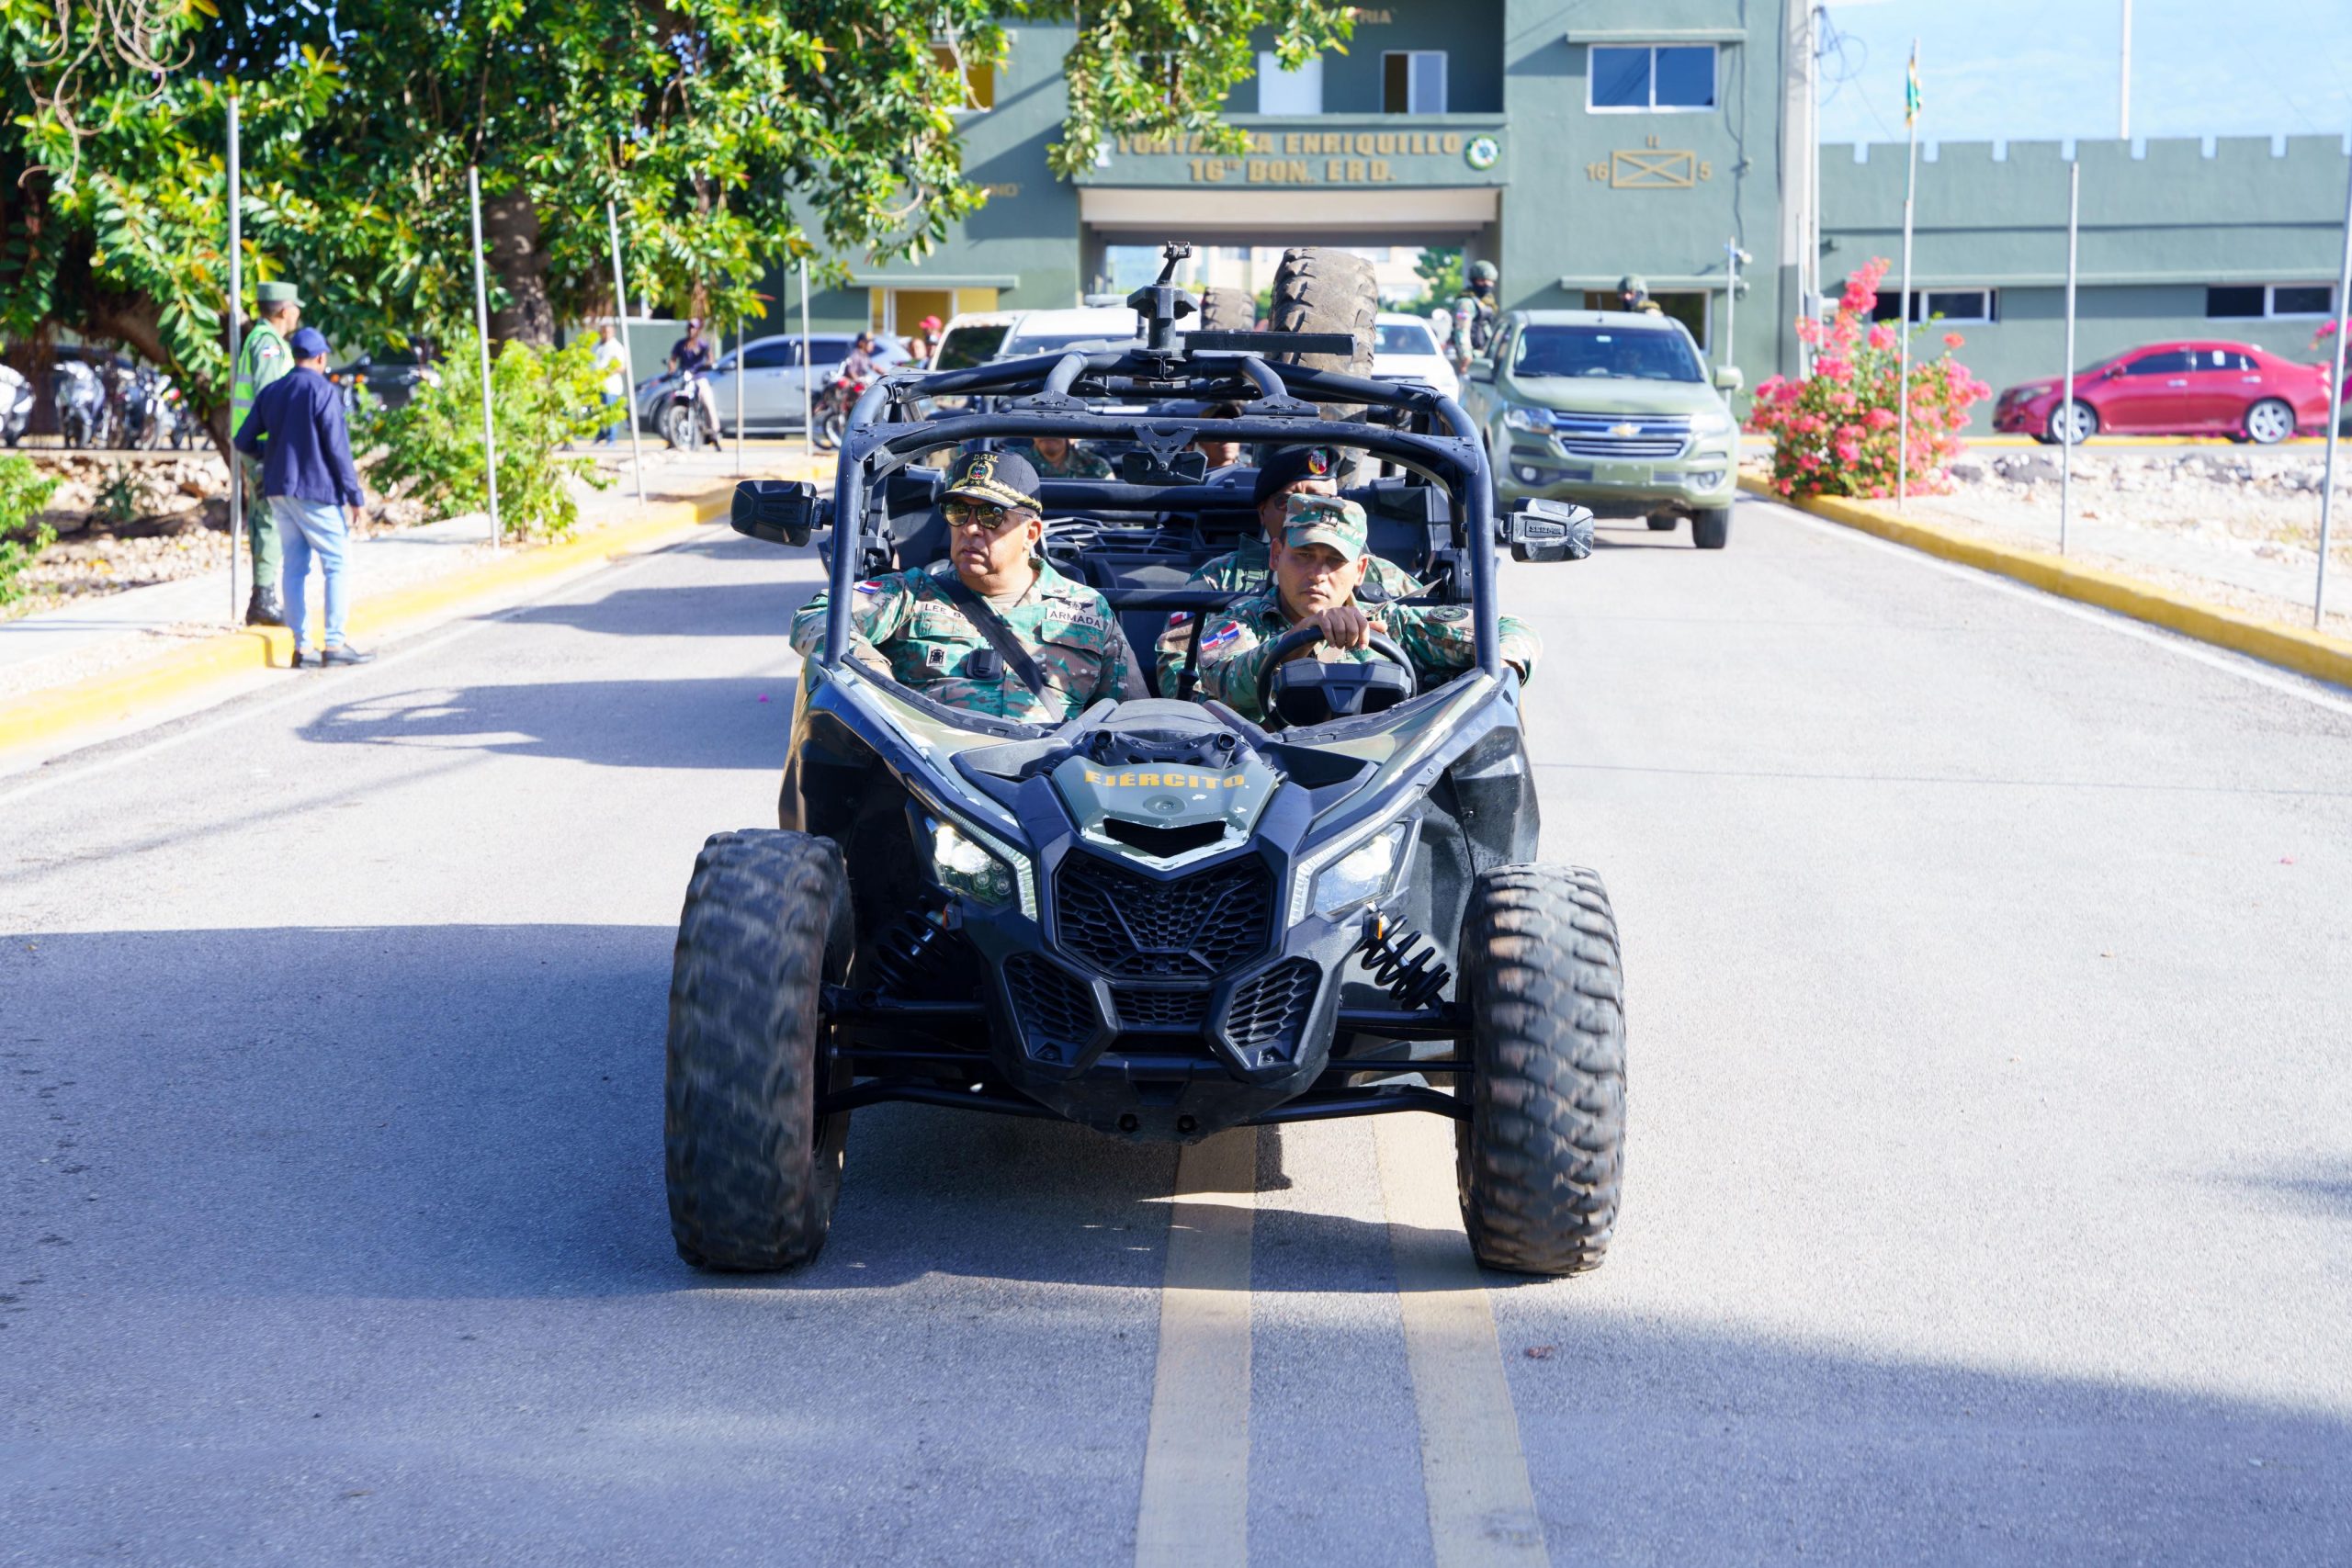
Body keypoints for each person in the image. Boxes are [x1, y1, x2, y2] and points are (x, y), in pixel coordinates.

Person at [788, 450, 1144, 721]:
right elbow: (816, 617)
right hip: (936, 784)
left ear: (1030, 534)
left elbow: (1129, 718)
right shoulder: (909, 595)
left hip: (1052, 783)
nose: (972, 528)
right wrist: (873, 677)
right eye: (960, 512)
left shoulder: (1086, 610)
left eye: (991, 515)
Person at [1193, 493, 1539, 725]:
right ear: (1275, 555)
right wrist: (1299, 637)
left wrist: (1498, 668)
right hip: (1263, 780)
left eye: (1334, 561)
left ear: (1359, 571)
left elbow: (1512, 631)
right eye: (1303, 556)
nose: (1317, 574)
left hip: (1377, 792)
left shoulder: (1393, 624)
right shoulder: (1239, 622)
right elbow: (1222, 682)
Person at [1154, 444, 1428, 695]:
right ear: (1263, 510)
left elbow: (1429, 631)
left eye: (1323, 500)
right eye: (1289, 501)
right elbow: (1179, 675)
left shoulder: (1380, 574)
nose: (1308, 510)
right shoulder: (1219, 577)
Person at [232, 326, 373, 668]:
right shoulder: (324, 392)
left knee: (294, 567)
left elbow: (242, 440)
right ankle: (336, 643)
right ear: (322, 358)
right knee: (337, 562)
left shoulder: (273, 391)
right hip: (316, 489)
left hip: (280, 490)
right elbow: (338, 451)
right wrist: (355, 496)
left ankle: (302, 648)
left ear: (294, 356)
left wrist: (270, 449)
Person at [231, 279, 301, 626]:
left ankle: (263, 595)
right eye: (296, 307)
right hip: (262, 444)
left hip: (257, 442)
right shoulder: (268, 346)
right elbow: (271, 399)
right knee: (269, 517)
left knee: (264, 516)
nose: (298, 313)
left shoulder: (261, 339)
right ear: (285, 310)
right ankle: (264, 597)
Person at [667, 318, 719, 437]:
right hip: (684, 377)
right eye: (690, 327)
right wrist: (671, 368)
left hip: (699, 377)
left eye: (694, 327)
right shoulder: (681, 344)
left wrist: (709, 364)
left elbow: (710, 358)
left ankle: (715, 431)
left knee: (708, 402)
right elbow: (673, 359)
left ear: (698, 330)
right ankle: (672, 434)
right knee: (673, 401)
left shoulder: (702, 344)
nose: (692, 330)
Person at [1448, 260, 1498, 372]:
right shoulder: (1466, 303)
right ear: (1474, 281)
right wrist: (1465, 356)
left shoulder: (1487, 302)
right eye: (1481, 280)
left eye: (1489, 281)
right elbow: (1461, 331)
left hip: (1484, 354)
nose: (1486, 284)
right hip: (1471, 357)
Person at [1014, 434, 1114, 480]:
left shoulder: (1096, 466)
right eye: (1039, 425)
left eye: (1054, 427)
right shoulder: (1017, 467)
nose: (1047, 433)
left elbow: (1115, 511)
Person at [593, 324, 629, 445]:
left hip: (610, 386)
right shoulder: (598, 346)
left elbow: (622, 367)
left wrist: (607, 372)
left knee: (610, 412)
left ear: (612, 332)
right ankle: (599, 435)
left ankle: (611, 439)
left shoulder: (616, 347)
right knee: (595, 412)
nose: (605, 334)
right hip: (596, 385)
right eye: (603, 332)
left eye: (608, 332)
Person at [1189, 402, 1246, 472]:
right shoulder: (1188, 476)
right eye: (1218, 433)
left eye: (1232, 432)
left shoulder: (1254, 475)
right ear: (1201, 442)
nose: (1226, 440)